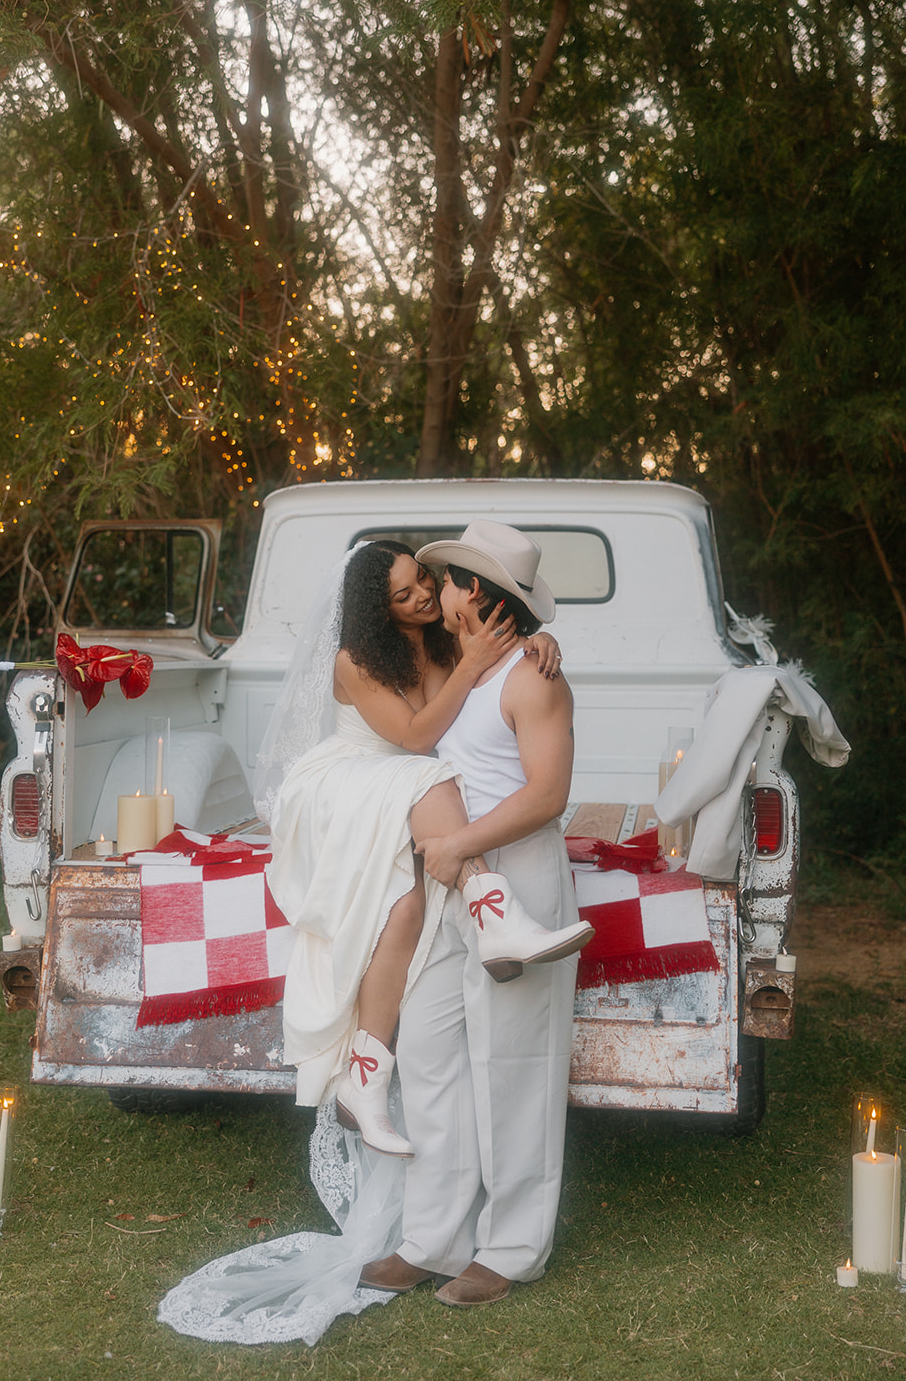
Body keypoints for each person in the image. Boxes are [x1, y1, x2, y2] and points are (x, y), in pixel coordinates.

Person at [264, 540, 593, 1160]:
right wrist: (470, 666)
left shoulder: (441, 641)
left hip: (410, 794)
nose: (419, 595)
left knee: (406, 913)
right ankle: (493, 908)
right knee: (431, 775)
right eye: (402, 593)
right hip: (355, 780)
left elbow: (487, 679)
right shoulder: (355, 660)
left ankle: (364, 1080)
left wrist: (534, 643)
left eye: (422, 580)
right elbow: (417, 738)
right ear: (376, 606)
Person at [359, 520, 581, 1309]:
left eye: (444, 579)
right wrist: (447, 858)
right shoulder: (464, 667)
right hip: (455, 885)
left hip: (512, 877)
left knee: (513, 1066)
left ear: (473, 595)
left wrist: (458, 848)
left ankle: (513, 1247)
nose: (432, 592)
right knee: (429, 1054)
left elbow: (547, 795)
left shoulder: (533, 677)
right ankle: (433, 1237)